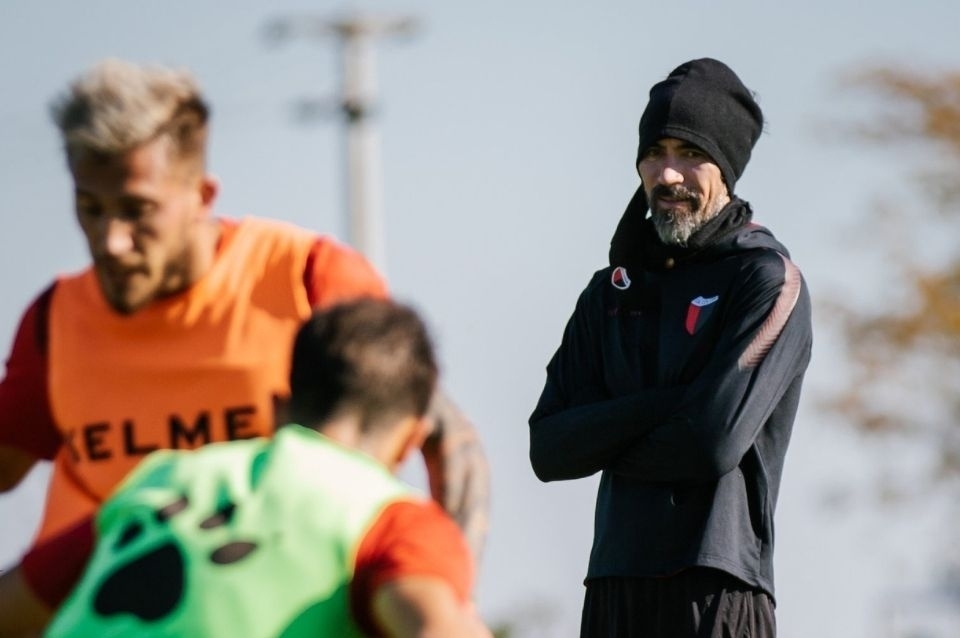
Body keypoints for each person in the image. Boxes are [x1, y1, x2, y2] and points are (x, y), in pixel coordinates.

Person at [0, 59, 487, 559]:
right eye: (90, 209)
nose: (111, 242)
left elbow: (443, 434)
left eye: (137, 211)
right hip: (98, 601)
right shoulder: (55, 320)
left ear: (202, 196)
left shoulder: (308, 280)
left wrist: (446, 581)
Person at [0, 298, 492, 637]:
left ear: (276, 409)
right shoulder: (391, 521)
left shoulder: (162, 478)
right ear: (410, 440)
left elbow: (13, 607)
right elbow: (433, 627)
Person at [529, 58, 813, 637]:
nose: (668, 174)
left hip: (717, 586)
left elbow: (710, 443)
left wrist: (605, 434)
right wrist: (674, 403)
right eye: (655, 153)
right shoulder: (609, 292)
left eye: (690, 153)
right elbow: (549, 449)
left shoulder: (765, 281)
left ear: (726, 167)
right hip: (612, 586)